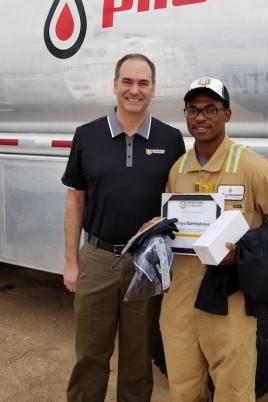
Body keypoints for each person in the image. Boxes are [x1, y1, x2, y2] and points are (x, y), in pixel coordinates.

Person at [159, 77, 268, 401]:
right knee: (182, 388)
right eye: (193, 110)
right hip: (179, 297)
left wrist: (245, 250)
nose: (201, 117)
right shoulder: (178, 169)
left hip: (228, 298)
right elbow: (174, 225)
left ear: (227, 114)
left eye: (211, 109)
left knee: (234, 391)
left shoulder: (253, 167)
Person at [61, 53, 185, 402]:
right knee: (90, 355)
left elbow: (175, 202)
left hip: (145, 264)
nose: (135, 90)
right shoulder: (87, 136)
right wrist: (72, 261)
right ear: (115, 85)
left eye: (143, 83)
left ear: (154, 90)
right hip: (97, 260)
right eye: (127, 82)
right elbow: (75, 199)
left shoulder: (170, 139)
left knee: (137, 358)